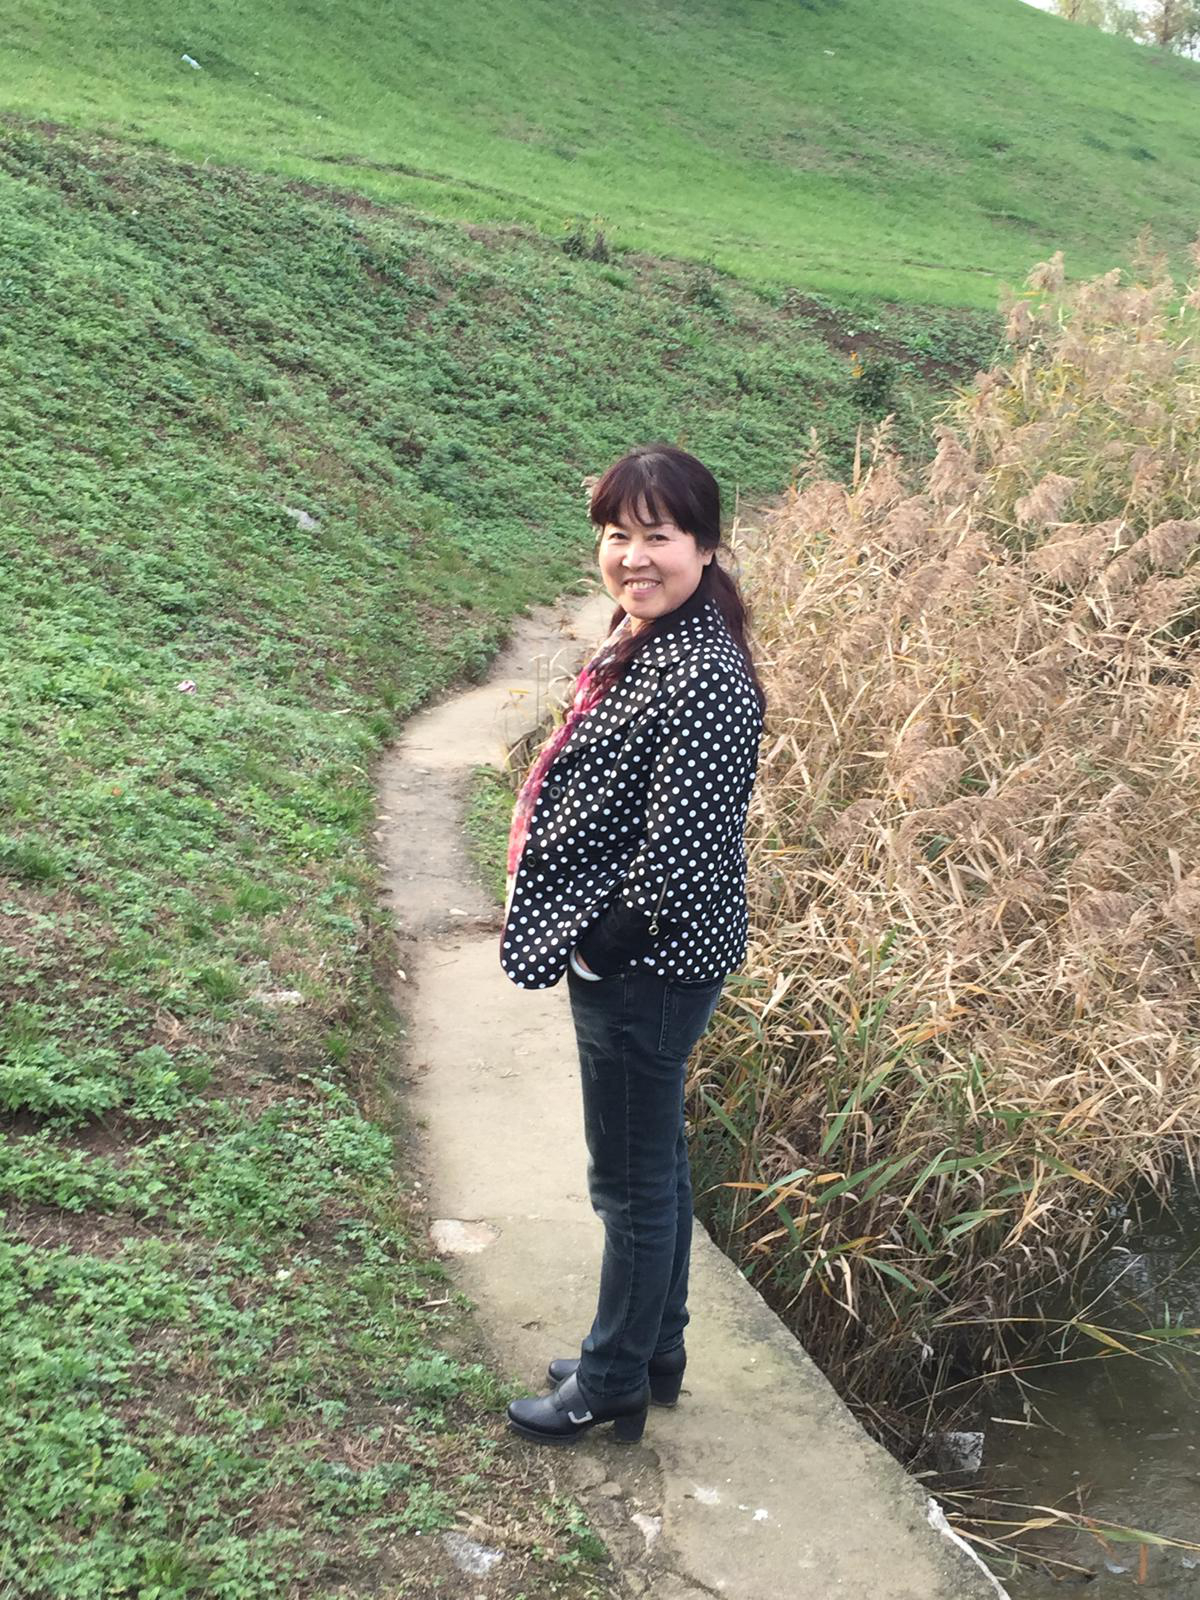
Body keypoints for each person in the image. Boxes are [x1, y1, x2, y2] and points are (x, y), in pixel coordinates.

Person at [499, 444, 766, 1445]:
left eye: (658, 535)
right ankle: (654, 1352)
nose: (633, 555)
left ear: (705, 545)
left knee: (629, 1182)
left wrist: (596, 952)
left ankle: (613, 1378)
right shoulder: (654, 638)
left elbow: (679, 860)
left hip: (648, 965)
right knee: (656, 1165)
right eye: (618, 534)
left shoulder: (704, 673)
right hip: (652, 962)